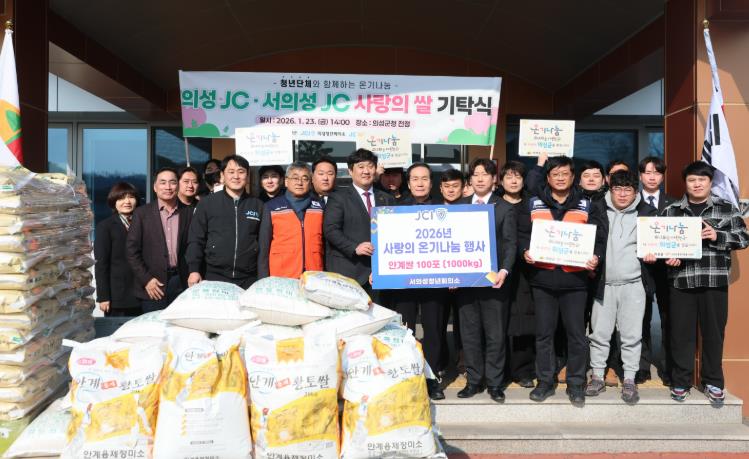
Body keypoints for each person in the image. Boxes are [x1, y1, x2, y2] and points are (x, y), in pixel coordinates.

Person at [517, 156, 607, 406]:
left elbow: (599, 238)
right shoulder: (532, 203)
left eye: (564, 174)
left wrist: (596, 257)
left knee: (576, 335)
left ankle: (576, 383)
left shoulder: (587, 205)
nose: (560, 178)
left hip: (575, 281)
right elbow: (522, 233)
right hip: (542, 280)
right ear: (547, 177)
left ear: (572, 177)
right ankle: (545, 382)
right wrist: (525, 251)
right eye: (555, 174)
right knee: (544, 334)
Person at [662, 161, 748, 404]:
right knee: (681, 335)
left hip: (714, 281)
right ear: (685, 183)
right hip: (681, 281)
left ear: (710, 183)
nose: (697, 184)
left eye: (702, 180)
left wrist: (717, 235)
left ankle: (713, 382)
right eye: (692, 180)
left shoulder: (726, 208)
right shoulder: (671, 211)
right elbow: (662, 245)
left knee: (713, 334)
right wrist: (668, 257)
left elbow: (743, 238)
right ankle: (681, 381)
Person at [586, 170, 657, 404]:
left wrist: (654, 254)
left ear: (636, 192)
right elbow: (588, 241)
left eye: (628, 190)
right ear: (610, 189)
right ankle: (597, 376)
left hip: (633, 284)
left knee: (632, 335)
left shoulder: (647, 213)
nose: (623, 194)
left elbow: (658, 244)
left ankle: (629, 379)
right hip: (603, 284)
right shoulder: (596, 210)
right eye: (618, 189)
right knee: (599, 333)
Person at [454, 158, 517, 403]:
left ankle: (495, 383)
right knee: (469, 334)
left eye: (485, 174)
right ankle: (473, 381)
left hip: (494, 281)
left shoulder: (504, 207)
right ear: (470, 179)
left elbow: (510, 244)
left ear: (494, 179)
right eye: (476, 174)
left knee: (495, 334)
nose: (480, 178)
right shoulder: (458, 206)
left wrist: (504, 270)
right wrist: (449, 272)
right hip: (465, 282)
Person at [387, 163, 450, 400]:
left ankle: (432, 379)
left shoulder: (444, 208)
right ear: (408, 182)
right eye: (415, 179)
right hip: (404, 281)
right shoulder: (394, 208)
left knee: (434, 330)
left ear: (431, 183)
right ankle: (407, 377)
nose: (420, 183)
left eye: (424, 178)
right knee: (405, 331)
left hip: (435, 280)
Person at [323, 149, 394, 298]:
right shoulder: (338, 197)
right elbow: (330, 230)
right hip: (349, 272)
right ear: (350, 171)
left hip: (379, 275)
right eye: (361, 167)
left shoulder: (387, 199)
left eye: (370, 166)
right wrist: (354, 247)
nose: (366, 171)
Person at [186, 155, 264, 289]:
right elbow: (196, 239)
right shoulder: (207, 203)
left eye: (241, 172)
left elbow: (263, 243)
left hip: (249, 278)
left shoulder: (258, 205)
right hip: (214, 275)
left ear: (247, 176)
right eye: (231, 172)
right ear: (222, 176)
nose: (236, 176)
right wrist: (194, 270)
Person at [126, 167, 192, 312]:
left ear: (178, 186)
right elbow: (132, 251)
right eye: (163, 183)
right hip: (153, 284)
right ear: (155, 187)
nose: (168, 187)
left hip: (182, 282)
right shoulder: (142, 214)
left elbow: (194, 246)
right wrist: (146, 279)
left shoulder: (189, 212)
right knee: (154, 325)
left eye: (172, 182)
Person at [496, 161, 536, 388]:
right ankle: (500, 370)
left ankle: (523, 370)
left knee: (524, 321)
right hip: (497, 270)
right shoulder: (492, 204)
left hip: (526, 270)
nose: (513, 181)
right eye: (509, 177)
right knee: (498, 321)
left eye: (518, 177)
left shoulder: (533, 204)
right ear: (501, 181)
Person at [638, 155, 676, 385]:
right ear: (640, 175)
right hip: (640, 268)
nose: (652, 177)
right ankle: (642, 367)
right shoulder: (631, 202)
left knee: (668, 319)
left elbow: (681, 237)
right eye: (648, 172)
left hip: (667, 270)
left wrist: (677, 254)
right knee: (640, 319)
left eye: (657, 172)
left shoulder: (675, 203)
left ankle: (668, 367)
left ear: (662, 176)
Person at [258, 161, 324, 279]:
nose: (300, 182)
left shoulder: (319, 207)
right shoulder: (271, 207)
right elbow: (263, 247)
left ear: (310, 182)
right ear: (286, 181)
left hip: (314, 274)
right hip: (281, 275)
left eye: (305, 179)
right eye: (295, 178)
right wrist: (263, 278)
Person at [94, 182, 141, 316]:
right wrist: (103, 296)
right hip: (117, 296)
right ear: (113, 202)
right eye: (121, 198)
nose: (127, 201)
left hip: (143, 293)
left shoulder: (143, 222)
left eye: (131, 197)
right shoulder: (105, 227)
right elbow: (101, 264)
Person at [438, 168, 465, 373]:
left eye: (455, 186)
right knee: (438, 322)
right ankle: (442, 361)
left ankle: (463, 358)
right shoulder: (430, 210)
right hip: (437, 277)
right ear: (440, 188)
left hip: (465, 277)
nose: (451, 190)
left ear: (463, 188)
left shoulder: (471, 210)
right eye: (447, 186)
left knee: (463, 322)